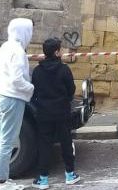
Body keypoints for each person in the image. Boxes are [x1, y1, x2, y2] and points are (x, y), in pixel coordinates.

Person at [0, 18, 34, 190]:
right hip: (12, 98)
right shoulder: (18, 51)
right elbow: (17, 80)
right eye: (30, 31)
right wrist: (31, 88)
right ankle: (1, 182)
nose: (31, 35)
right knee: (7, 141)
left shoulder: (5, 47)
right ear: (24, 32)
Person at [31, 38, 80, 189]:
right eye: (61, 49)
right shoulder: (64, 69)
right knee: (66, 142)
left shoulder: (37, 71)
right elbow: (71, 89)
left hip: (43, 112)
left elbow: (34, 91)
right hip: (62, 111)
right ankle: (70, 174)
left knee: (44, 144)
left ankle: (43, 178)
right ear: (57, 52)